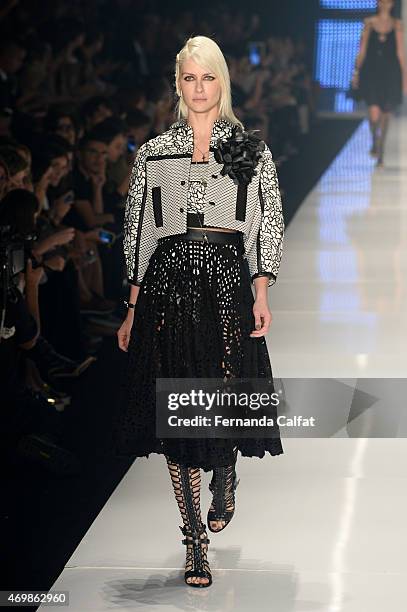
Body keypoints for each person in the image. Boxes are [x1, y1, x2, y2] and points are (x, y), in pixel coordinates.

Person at [112, 35, 285, 588]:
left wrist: (261, 290)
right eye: (190, 78)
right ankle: (194, 544)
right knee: (176, 412)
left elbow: (265, 220)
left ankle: (226, 469)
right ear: (178, 85)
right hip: (168, 283)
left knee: (224, 393)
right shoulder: (155, 152)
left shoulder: (250, 148)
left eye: (208, 77)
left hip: (227, 281)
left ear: (222, 82)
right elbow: (139, 231)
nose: (199, 88)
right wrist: (132, 306)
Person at [352, 0, 407, 166]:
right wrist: (356, 72)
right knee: (374, 112)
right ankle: (375, 140)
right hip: (371, 72)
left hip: (390, 74)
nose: (385, 4)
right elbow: (362, 50)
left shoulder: (397, 25)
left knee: (386, 112)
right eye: (382, 1)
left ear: (392, 4)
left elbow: (400, 53)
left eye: (388, 1)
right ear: (378, 3)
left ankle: (381, 151)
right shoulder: (369, 23)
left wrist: (404, 78)